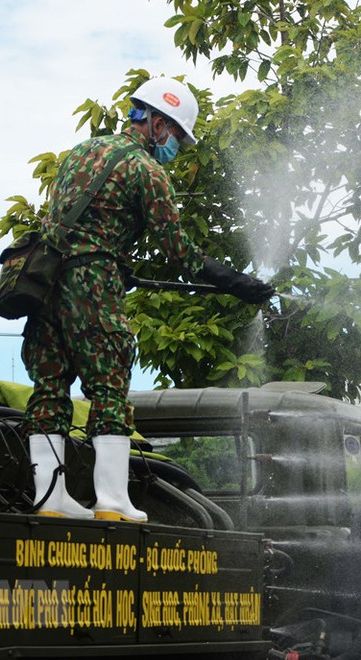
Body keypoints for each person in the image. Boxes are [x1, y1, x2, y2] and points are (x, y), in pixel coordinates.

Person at [23, 76, 274, 522]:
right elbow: (180, 253)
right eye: (176, 134)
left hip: (46, 283)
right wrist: (235, 281)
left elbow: (70, 224)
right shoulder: (146, 170)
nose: (175, 145)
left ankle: (50, 499)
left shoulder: (81, 152)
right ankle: (113, 502)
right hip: (92, 284)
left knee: (50, 385)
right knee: (110, 384)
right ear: (157, 122)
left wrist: (115, 261)